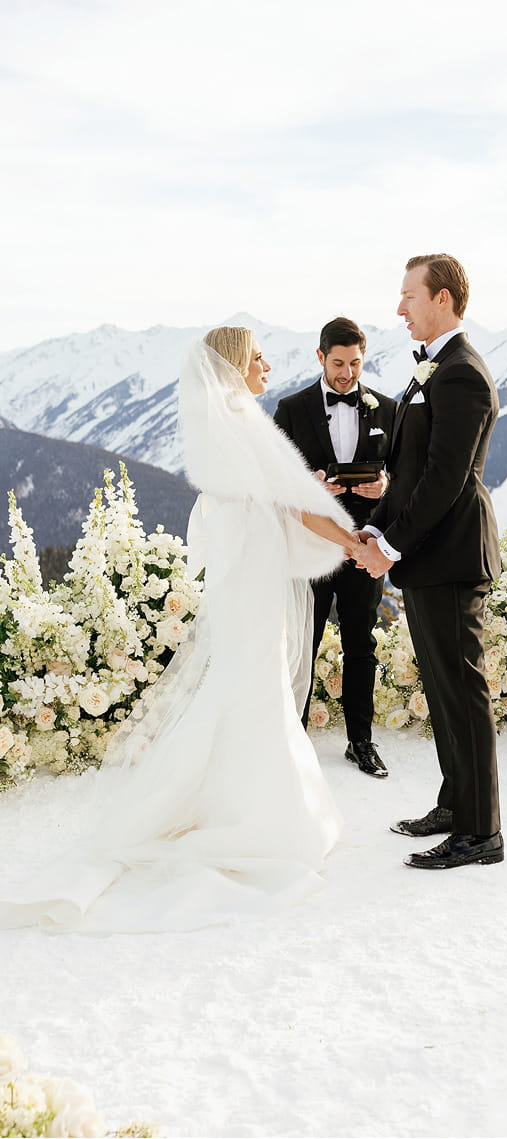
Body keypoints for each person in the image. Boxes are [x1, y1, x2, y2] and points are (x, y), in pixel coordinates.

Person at [0, 327, 360, 932]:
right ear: (235, 367)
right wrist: (354, 543)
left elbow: (265, 498)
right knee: (255, 691)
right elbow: (294, 506)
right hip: (255, 582)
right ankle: (256, 820)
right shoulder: (244, 423)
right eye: (256, 356)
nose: (267, 363)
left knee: (244, 688)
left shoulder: (221, 426)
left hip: (244, 580)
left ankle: (224, 801)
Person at [356, 255, 504, 871]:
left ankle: (482, 832)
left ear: (441, 299)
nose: (399, 309)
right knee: (442, 689)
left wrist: (389, 548)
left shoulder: (462, 375)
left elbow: (446, 481)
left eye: (408, 296)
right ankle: (454, 802)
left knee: (462, 690)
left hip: (448, 555)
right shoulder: (432, 373)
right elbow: (409, 474)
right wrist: (374, 527)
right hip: (427, 557)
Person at [274, 317, 396, 778]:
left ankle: (360, 742)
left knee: (360, 641)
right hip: (311, 546)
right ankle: (295, 738)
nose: (348, 373)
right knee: (302, 640)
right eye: (339, 363)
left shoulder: (386, 407)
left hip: (366, 544)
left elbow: (404, 475)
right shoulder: (291, 408)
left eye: (356, 364)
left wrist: (383, 486)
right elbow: (276, 477)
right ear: (321, 357)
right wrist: (306, 485)